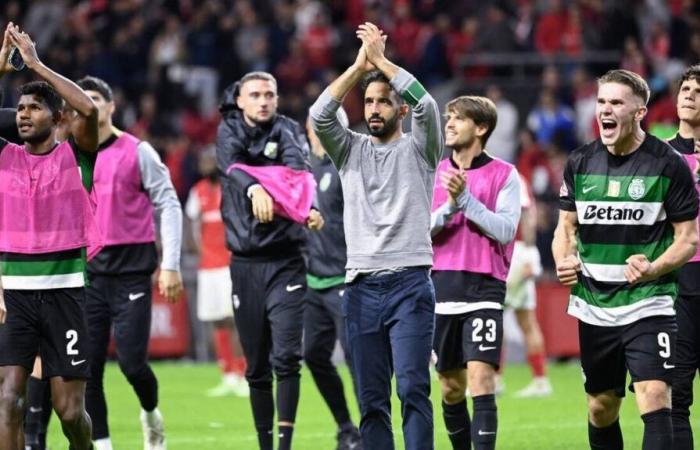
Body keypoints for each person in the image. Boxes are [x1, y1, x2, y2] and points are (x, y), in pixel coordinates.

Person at [310, 22, 443, 450]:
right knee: (371, 400)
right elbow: (319, 115)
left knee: (411, 389)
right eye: (368, 102)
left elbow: (427, 105)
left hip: (410, 283)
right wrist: (357, 67)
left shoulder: (421, 149)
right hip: (361, 286)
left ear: (399, 110)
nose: (373, 109)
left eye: (383, 102)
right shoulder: (349, 151)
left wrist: (383, 61)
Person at [552, 69, 699, 450]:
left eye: (616, 102)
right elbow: (565, 229)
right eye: (602, 102)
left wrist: (654, 267)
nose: (605, 109)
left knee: (654, 396)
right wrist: (564, 259)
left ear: (639, 111)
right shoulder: (580, 162)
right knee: (602, 407)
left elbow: (687, 240)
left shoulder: (668, 164)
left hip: (649, 301)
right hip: (595, 305)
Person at [0, 23, 98, 450]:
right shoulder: (5, 157)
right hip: (16, 298)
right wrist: (1, 69)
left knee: (70, 413)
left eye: (35, 108)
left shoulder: (76, 156)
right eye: (20, 108)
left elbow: (89, 112)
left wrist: (36, 64)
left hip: (65, 295)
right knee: (8, 402)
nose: (23, 114)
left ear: (57, 118)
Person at [74, 76, 183, 450]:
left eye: (94, 100)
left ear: (110, 106)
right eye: (80, 101)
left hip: (132, 273)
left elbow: (168, 203)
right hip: (87, 274)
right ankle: (102, 445)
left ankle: (151, 413)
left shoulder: (138, 152)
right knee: (88, 371)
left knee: (133, 364)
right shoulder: (69, 155)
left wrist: (171, 264)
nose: (87, 107)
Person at [216, 71, 323, 450]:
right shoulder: (228, 131)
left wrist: (260, 182)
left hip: (287, 260)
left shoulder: (289, 129)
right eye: (256, 95)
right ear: (241, 100)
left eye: (270, 95)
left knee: (288, 358)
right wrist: (257, 183)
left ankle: (284, 445)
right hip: (245, 264)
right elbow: (229, 168)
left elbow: (297, 175)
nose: (263, 101)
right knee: (257, 367)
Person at [430, 96, 521, 450]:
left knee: (481, 379)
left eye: (458, 118)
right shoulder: (433, 172)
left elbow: (505, 230)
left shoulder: (505, 174)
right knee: (451, 387)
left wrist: (466, 201)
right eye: (448, 117)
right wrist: (450, 208)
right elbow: (418, 232)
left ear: (481, 128)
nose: (449, 124)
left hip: (484, 289)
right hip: (439, 288)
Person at [303, 109, 361, 450]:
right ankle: (345, 427)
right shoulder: (302, 169)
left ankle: (372, 429)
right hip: (314, 281)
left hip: (345, 277)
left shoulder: (346, 168)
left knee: (357, 359)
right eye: (315, 123)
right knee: (313, 354)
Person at [185, 148, 248, 398]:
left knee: (235, 320)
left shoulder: (230, 188)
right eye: (203, 160)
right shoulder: (197, 191)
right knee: (216, 320)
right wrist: (198, 250)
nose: (205, 164)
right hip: (208, 267)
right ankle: (228, 374)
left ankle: (243, 373)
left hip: (229, 264)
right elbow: (190, 222)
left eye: (210, 160)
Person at [668, 64, 700, 450]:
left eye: (698, 90)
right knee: (677, 395)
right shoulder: (658, 155)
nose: (690, 94)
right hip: (676, 283)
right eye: (686, 88)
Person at [503, 175, 551, 398]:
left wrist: (530, 254)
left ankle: (539, 380)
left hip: (515, 253)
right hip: (517, 252)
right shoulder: (516, 176)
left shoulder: (509, 175)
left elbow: (524, 214)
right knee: (522, 320)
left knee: (501, 317)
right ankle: (538, 379)